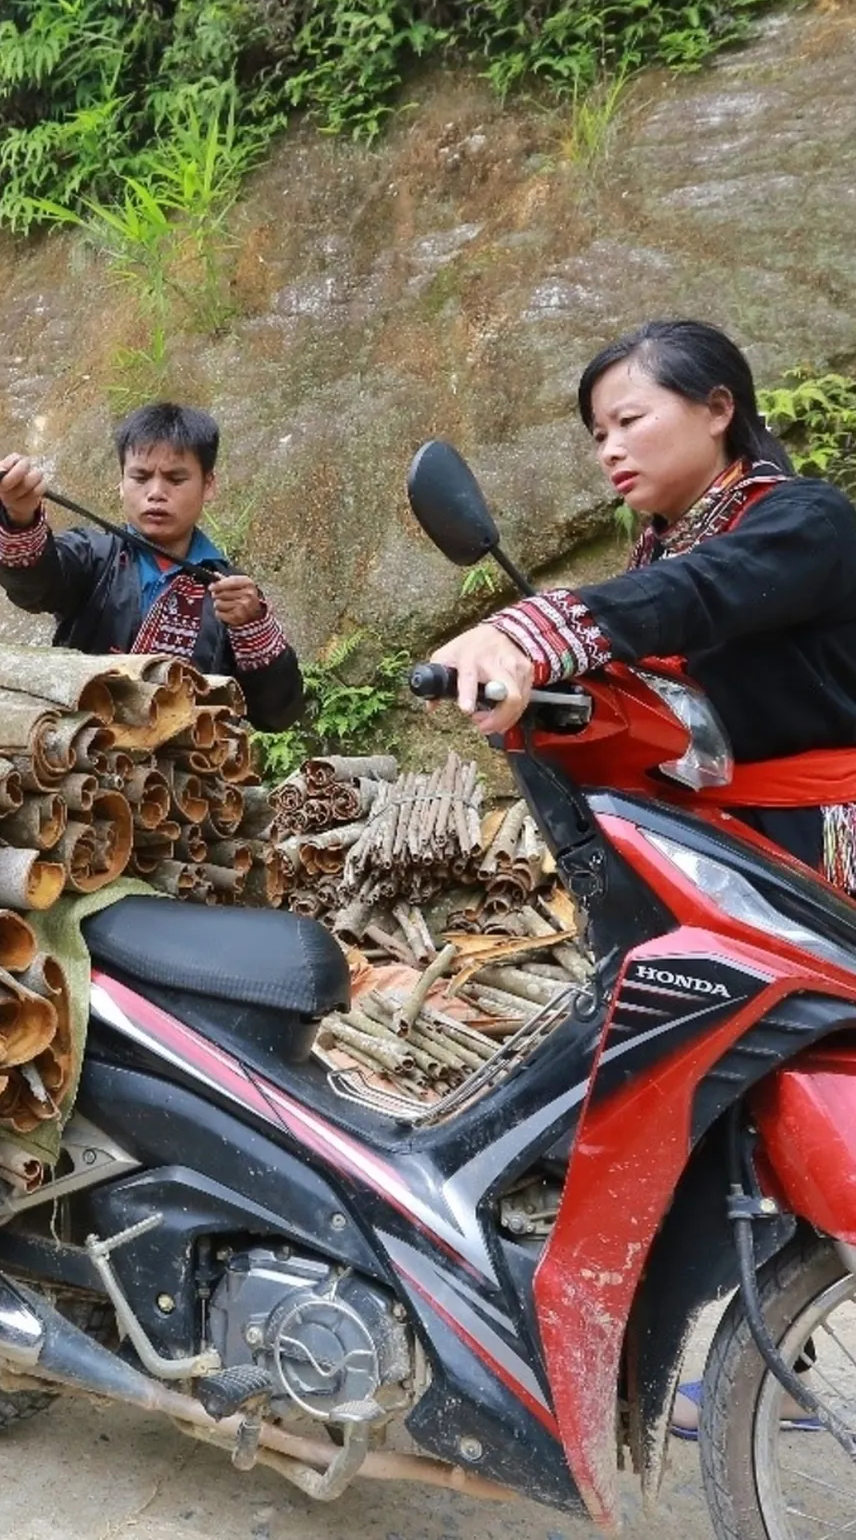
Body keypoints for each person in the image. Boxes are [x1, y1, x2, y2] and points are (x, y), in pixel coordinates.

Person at [429, 317, 856, 1438]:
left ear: (718, 407)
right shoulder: (663, 546)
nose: (609, 451)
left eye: (629, 420)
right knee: (704, 1090)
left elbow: (702, 603)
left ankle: (784, 1337)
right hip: (713, 859)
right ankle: (733, 1340)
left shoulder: (798, 521)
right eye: (596, 434)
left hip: (805, 852)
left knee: (775, 1079)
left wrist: (534, 630)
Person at [0, 401, 306, 731]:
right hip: (81, 765)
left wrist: (253, 627)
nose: (156, 493)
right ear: (120, 483)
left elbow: (278, 714)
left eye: (176, 479)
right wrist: (19, 515)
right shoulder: (94, 556)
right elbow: (33, 587)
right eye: (140, 477)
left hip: (185, 777)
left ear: (208, 485)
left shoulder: (232, 595)